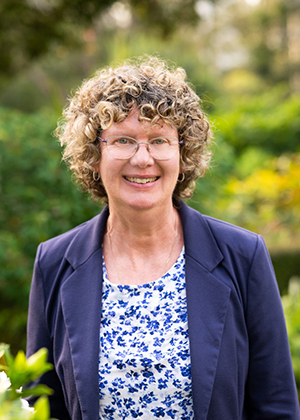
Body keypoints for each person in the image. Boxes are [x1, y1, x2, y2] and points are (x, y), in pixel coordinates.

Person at [26, 56, 299, 420]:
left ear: (183, 153)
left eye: (159, 140)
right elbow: (40, 409)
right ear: (94, 155)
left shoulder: (243, 256)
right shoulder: (54, 263)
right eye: (123, 140)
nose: (143, 159)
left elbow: (276, 407)